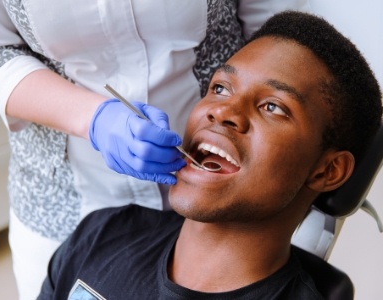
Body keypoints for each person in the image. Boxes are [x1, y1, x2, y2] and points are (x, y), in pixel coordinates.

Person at [36, 11, 382, 300]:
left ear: (328, 170)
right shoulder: (102, 234)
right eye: (220, 88)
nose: (223, 111)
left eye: (273, 107)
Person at [0, 1, 311, 298]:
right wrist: (95, 119)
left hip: (223, 215)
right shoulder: (81, 247)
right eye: (221, 90)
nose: (222, 112)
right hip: (66, 198)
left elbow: (280, 39)